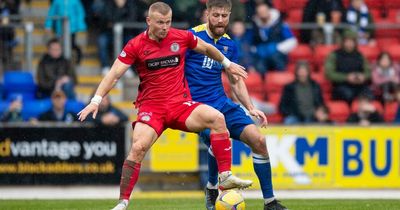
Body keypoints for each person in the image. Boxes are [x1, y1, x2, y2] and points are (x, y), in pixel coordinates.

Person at [77, 2, 252, 210]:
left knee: (218, 118)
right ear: (148, 21)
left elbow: (206, 48)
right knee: (138, 147)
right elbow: (114, 74)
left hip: (180, 105)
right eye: (160, 22)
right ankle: (123, 202)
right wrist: (96, 101)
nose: (165, 27)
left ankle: (224, 176)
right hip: (152, 108)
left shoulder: (180, 37)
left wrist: (227, 63)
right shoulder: (135, 45)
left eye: (168, 22)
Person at [185, 1, 287, 209]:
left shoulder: (230, 45)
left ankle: (270, 202)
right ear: (207, 14)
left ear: (230, 15)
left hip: (222, 103)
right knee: (218, 137)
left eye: (224, 16)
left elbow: (235, 80)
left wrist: (250, 107)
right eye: (216, 15)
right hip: (197, 107)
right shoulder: (191, 38)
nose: (220, 20)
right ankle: (213, 186)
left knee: (258, 140)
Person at [325, 30, 372, 104]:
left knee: (370, 95)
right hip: (341, 86)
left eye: (352, 41)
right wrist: (346, 77)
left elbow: (368, 72)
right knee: (348, 95)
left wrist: (363, 77)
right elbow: (329, 73)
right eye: (347, 41)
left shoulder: (360, 56)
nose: (350, 44)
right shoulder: (334, 55)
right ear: (343, 42)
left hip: (359, 85)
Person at [250, 3, 297, 75]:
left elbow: (292, 41)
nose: (263, 14)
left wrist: (277, 47)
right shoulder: (256, 26)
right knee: (259, 65)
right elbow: (253, 43)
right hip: (263, 56)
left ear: (269, 11)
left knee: (276, 59)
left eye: (264, 11)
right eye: (260, 12)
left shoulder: (281, 24)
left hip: (278, 54)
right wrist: (258, 49)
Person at [44, 0, 87, 64]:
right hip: (60, 29)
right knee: (60, 45)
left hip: (72, 28)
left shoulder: (75, 1)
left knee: (72, 44)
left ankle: (77, 58)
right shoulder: (57, 1)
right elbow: (52, 13)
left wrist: (81, 26)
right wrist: (48, 25)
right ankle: (61, 60)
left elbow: (80, 13)